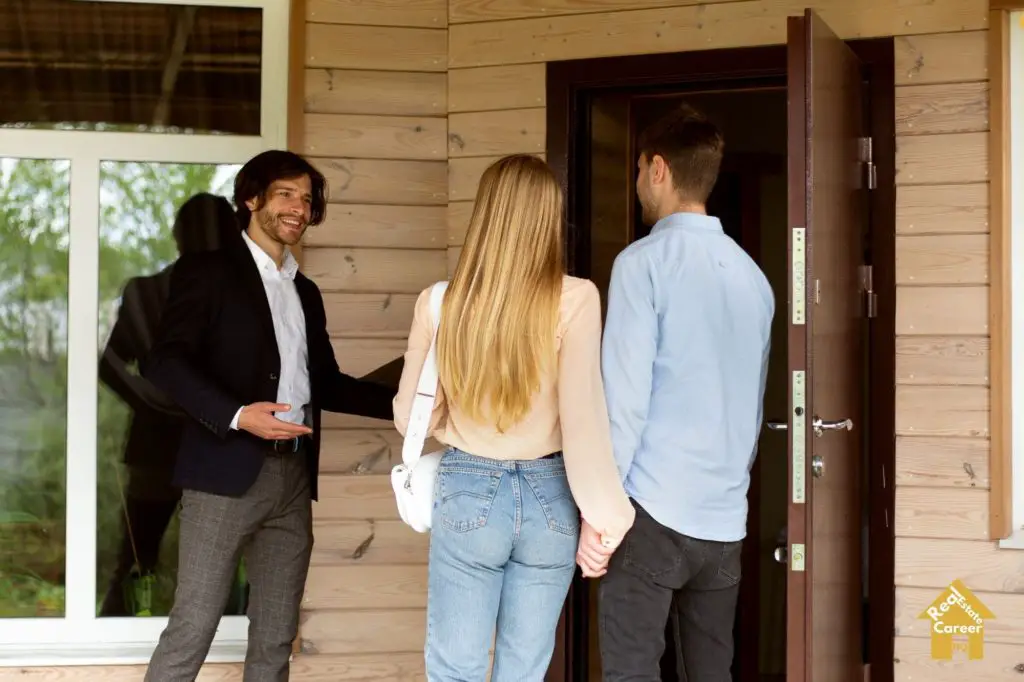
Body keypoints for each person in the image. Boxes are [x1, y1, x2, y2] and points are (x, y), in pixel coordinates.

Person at [141, 150, 395, 682]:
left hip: (292, 478)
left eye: (306, 199)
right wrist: (237, 415)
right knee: (194, 626)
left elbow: (326, 383)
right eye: (285, 193)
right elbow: (163, 361)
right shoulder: (208, 272)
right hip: (221, 475)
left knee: (276, 634)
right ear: (252, 199)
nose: (299, 208)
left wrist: (410, 403)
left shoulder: (305, 291)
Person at [393, 154, 635, 681]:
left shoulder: (440, 303)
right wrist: (606, 519)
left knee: (455, 670)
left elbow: (410, 415)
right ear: (548, 217)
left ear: (486, 214)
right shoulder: (578, 298)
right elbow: (583, 418)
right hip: (553, 493)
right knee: (524, 673)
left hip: (468, 483)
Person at [589, 104, 775, 681]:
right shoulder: (754, 276)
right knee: (710, 673)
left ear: (659, 169)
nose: (639, 182)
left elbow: (624, 398)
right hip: (724, 517)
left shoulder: (642, 263)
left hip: (651, 506)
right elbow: (754, 401)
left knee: (631, 672)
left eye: (641, 169)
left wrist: (603, 512)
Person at [98, 192, 239, 617]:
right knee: (145, 556)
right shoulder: (148, 293)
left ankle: (129, 626)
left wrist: (148, 400)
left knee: (152, 557)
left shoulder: (151, 292)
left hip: (210, 446)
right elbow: (109, 362)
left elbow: (110, 364)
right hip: (181, 448)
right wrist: (149, 400)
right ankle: (122, 630)